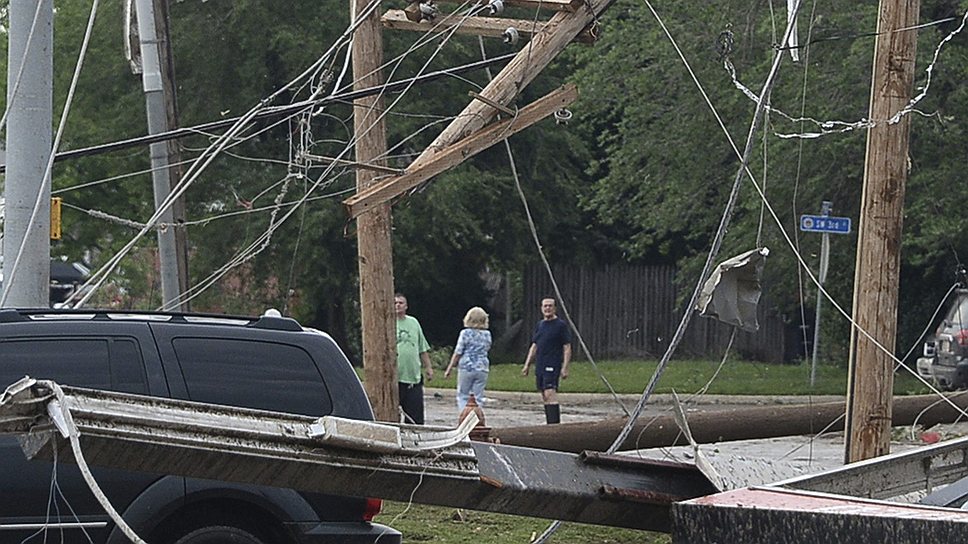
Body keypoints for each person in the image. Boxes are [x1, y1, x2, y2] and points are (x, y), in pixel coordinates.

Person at [521, 297, 572, 424]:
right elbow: (534, 345)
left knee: (550, 392)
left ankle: (554, 424)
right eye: (545, 306)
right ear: (541, 308)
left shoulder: (560, 325)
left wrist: (565, 367)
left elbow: (567, 347)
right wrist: (527, 365)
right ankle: (549, 422)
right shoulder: (540, 325)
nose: (547, 308)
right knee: (544, 394)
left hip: (553, 363)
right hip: (540, 364)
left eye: (550, 306)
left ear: (555, 308)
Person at [395, 293, 434, 424]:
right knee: (391, 416)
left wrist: (428, 367)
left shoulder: (413, 323)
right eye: (395, 303)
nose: (398, 305)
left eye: (400, 303)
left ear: (406, 306)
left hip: (413, 377)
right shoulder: (387, 323)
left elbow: (422, 348)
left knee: (415, 418)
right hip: (395, 378)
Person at [444, 307, 492, 412]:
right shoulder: (487, 334)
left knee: (463, 395)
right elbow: (487, 348)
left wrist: (450, 368)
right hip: (482, 367)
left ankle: (464, 417)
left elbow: (458, 352)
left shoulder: (465, 333)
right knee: (478, 397)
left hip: (467, 366)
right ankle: (477, 418)